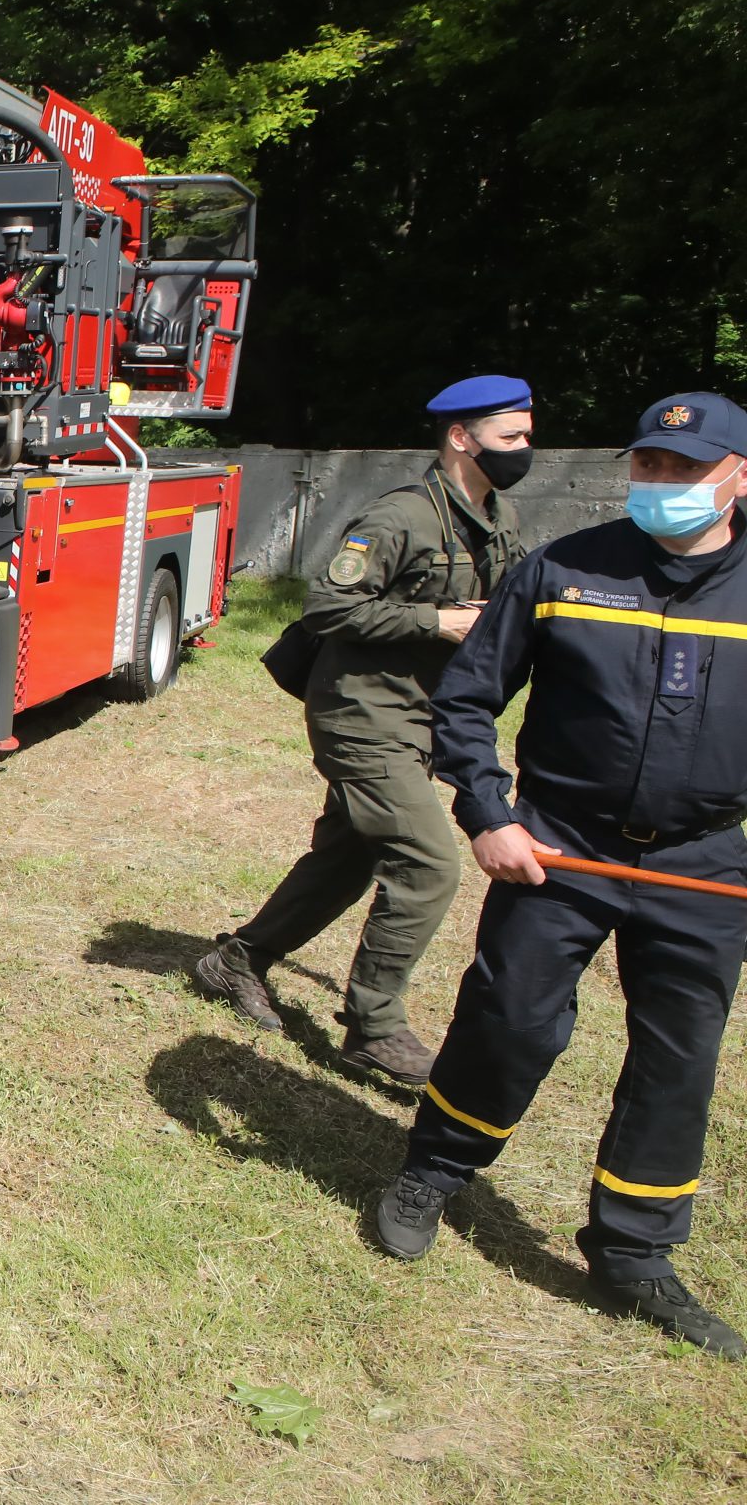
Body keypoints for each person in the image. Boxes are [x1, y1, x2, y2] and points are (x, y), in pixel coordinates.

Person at [369, 391, 747, 1360]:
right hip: (561, 846)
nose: (660, 485)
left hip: (705, 865)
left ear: (737, 475)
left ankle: (635, 1251)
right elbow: (466, 700)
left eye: (686, 470)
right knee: (510, 1018)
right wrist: (489, 814)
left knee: (677, 1059)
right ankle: (434, 1171)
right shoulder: (569, 569)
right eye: (649, 468)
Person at [194, 376, 534, 1083]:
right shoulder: (402, 516)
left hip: (423, 715)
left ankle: (236, 960)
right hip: (361, 713)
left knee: (347, 858)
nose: (525, 449)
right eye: (512, 437)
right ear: (462, 438)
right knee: (430, 862)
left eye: (527, 435)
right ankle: (374, 1025)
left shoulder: (498, 519)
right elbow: (327, 605)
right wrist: (437, 621)